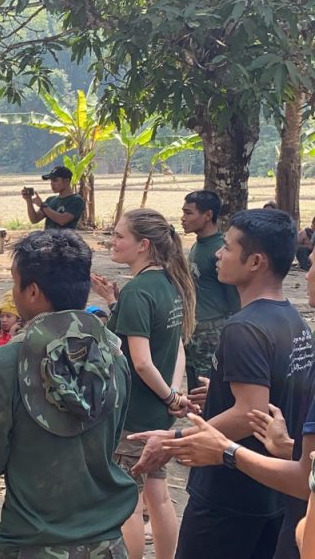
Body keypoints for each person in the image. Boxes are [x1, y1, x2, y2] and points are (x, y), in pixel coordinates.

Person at [131, 209, 314, 559]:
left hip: (228, 497)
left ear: (256, 262)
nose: (218, 253)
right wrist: (220, 393)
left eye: (228, 248)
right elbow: (269, 396)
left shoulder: (243, 328)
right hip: (271, 496)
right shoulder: (295, 322)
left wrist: (174, 440)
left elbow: (251, 412)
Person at [0, 229, 137, 558]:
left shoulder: (4, 364)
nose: (13, 291)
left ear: (32, 291)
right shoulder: (116, 357)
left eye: (15, 282)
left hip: (29, 544)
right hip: (107, 545)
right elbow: (110, 442)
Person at [90, 208, 196, 559]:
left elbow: (141, 361)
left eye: (120, 236)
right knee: (159, 495)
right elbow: (176, 344)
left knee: (127, 502)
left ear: (143, 245)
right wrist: (174, 395)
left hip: (134, 416)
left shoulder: (139, 291)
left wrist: (168, 395)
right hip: (159, 415)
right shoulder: (170, 282)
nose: (112, 241)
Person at [181, 190, 240, 391]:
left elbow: (234, 296)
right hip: (193, 329)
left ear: (207, 216)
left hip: (212, 331)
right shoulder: (197, 246)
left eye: (189, 213)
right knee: (193, 391)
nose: (183, 218)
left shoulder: (219, 250)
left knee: (208, 391)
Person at [23, 165, 85, 230]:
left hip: (64, 238)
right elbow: (34, 219)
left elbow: (62, 220)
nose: (52, 184)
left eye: (55, 180)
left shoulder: (76, 200)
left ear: (66, 181)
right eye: (51, 181)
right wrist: (29, 201)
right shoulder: (50, 200)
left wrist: (43, 205)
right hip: (48, 238)